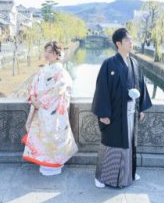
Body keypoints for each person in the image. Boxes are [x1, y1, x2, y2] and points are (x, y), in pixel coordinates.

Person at [92, 28, 152, 188]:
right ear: (118, 44)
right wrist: (103, 113)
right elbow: (101, 89)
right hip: (114, 113)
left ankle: (128, 173)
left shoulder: (135, 63)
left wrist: (142, 109)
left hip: (131, 112)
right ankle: (101, 176)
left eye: (131, 40)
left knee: (129, 142)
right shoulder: (109, 64)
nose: (131, 43)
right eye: (128, 40)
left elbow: (141, 86)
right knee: (111, 143)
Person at [22, 41, 78, 176]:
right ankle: (44, 163)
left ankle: (54, 165)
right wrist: (33, 98)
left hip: (53, 110)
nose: (47, 54)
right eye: (45, 51)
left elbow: (60, 88)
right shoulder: (42, 70)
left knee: (54, 137)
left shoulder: (61, 71)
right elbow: (33, 86)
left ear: (57, 55)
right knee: (42, 139)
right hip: (40, 110)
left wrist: (41, 101)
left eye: (50, 52)